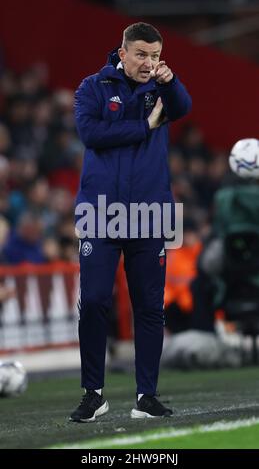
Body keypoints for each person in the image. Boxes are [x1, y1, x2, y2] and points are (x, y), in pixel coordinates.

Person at [70, 22, 192, 422]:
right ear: (122, 53)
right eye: (141, 54)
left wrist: (170, 83)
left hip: (152, 212)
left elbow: (184, 107)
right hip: (100, 212)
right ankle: (94, 393)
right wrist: (146, 126)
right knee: (94, 302)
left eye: (155, 55)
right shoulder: (92, 87)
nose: (149, 62)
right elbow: (91, 133)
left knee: (149, 307)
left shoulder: (162, 89)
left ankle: (146, 395)